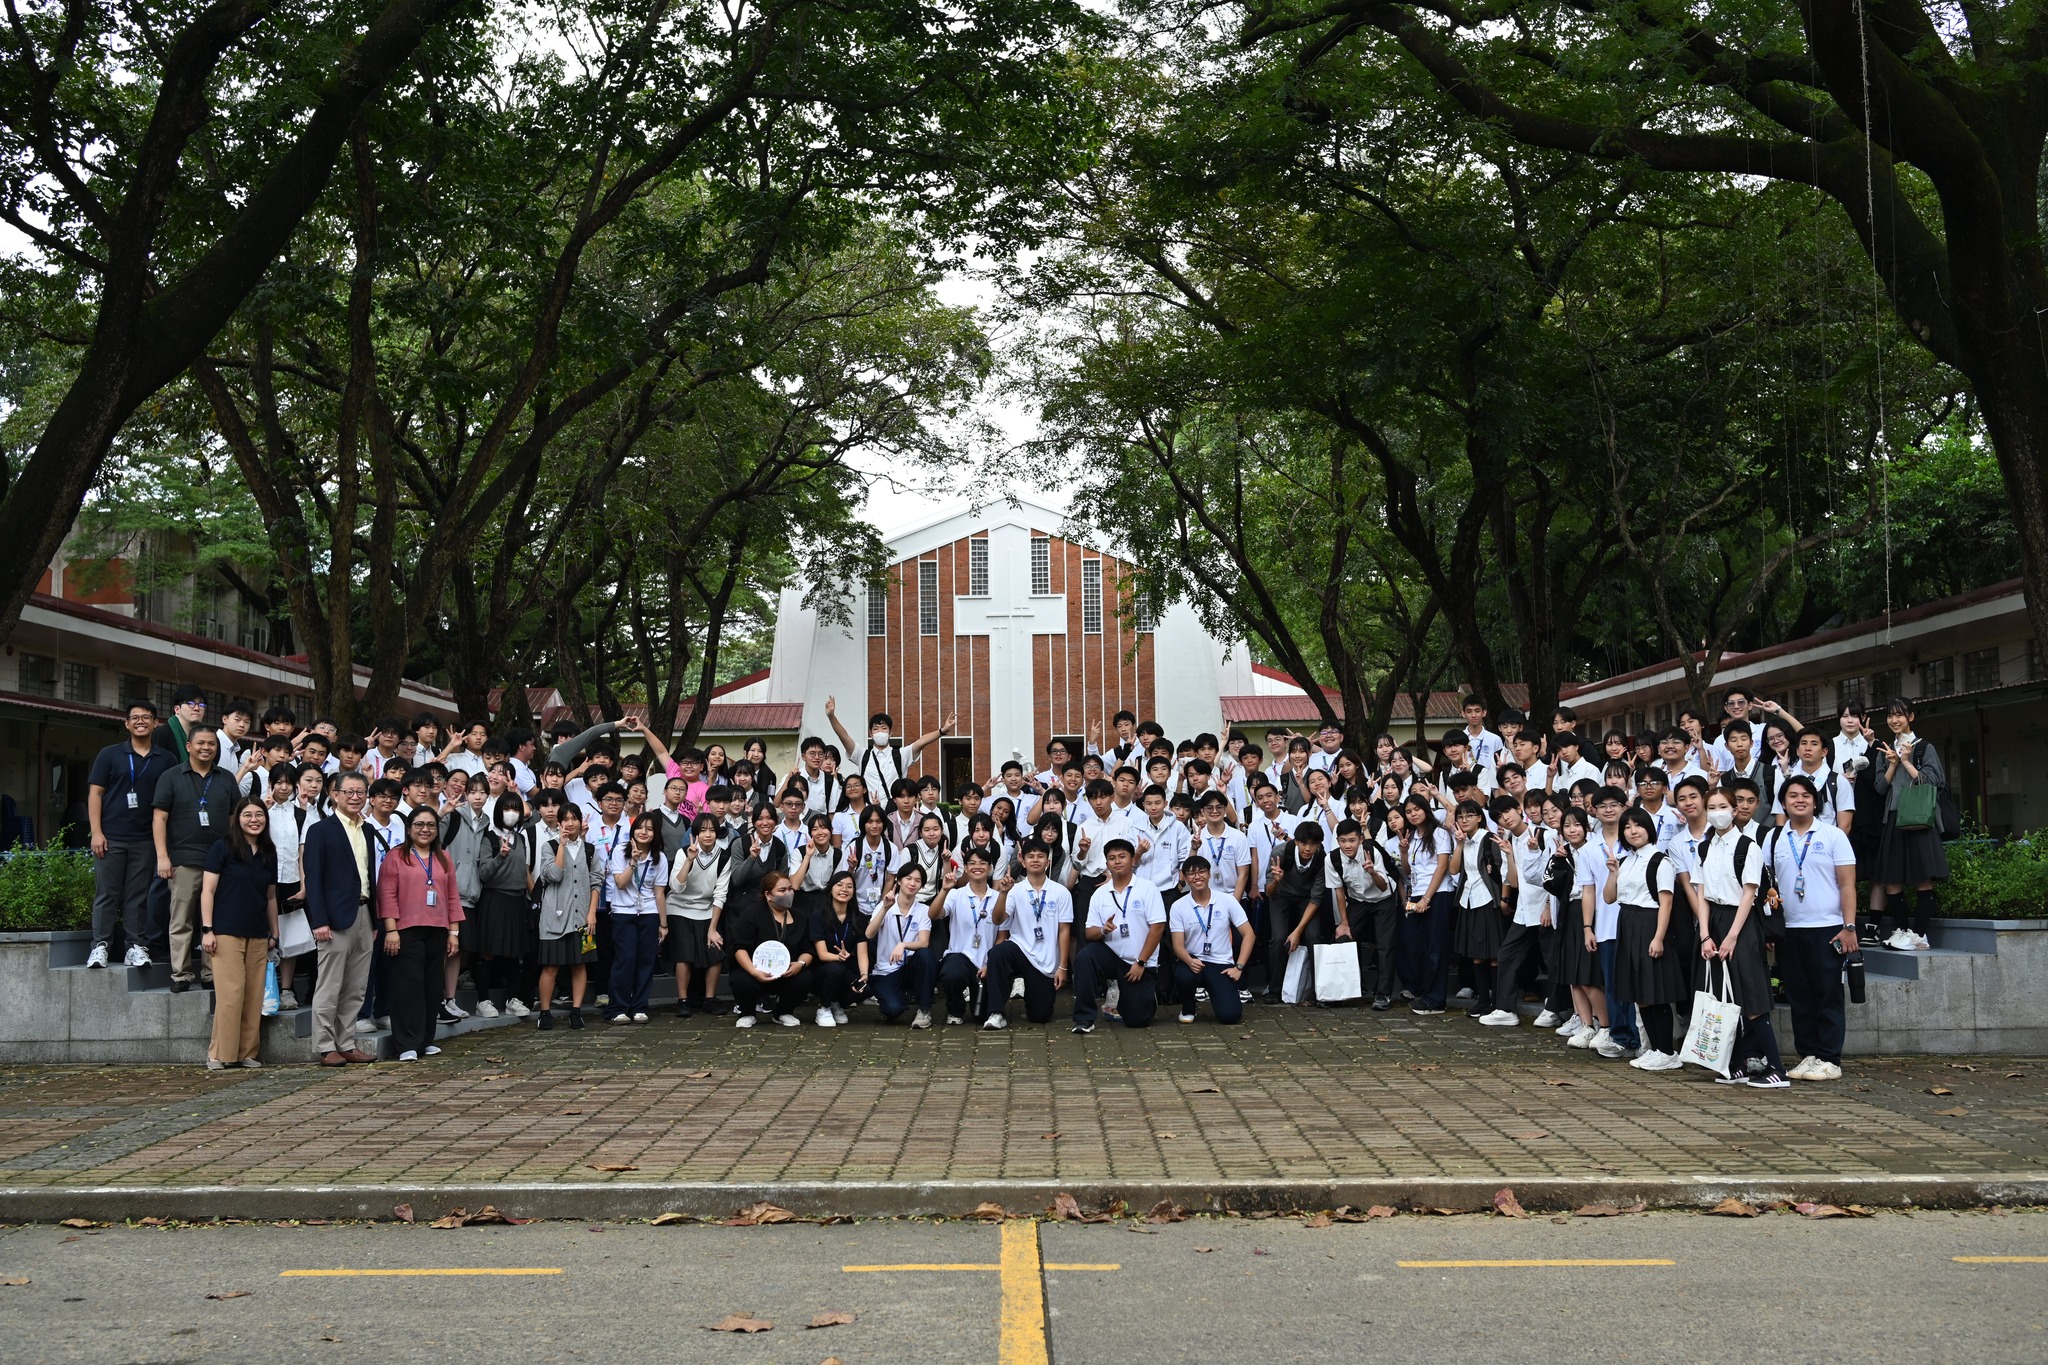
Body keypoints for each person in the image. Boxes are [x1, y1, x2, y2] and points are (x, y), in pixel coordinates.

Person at [1689, 788, 1788, 1087]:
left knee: (1752, 993)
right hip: (1713, 922)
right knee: (1721, 995)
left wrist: (1732, 936)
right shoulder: (1705, 848)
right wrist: (1705, 935)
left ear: (1734, 811)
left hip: (1741, 924)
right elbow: (1701, 893)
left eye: (1723, 806)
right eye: (1712, 807)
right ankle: (1735, 1065)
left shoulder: (1748, 846)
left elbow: (1749, 895)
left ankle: (1777, 1068)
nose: (1717, 811)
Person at [1768, 775, 1860, 1081]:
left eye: (1806, 795)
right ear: (1783, 803)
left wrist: (1849, 926)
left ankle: (1830, 1058)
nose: (1799, 800)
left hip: (1829, 927)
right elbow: (1769, 886)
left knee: (1827, 992)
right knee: (1799, 995)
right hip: (1790, 929)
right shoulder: (1774, 839)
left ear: (1815, 801)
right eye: (1792, 795)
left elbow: (1847, 885)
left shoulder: (1833, 835)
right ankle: (1808, 1055)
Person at [86, 701, 178, 969]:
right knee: (107, 893)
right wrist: (96, 832)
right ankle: (100, 946)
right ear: (126, 724)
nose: (140, 721)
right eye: (135, 718)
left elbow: (169, 803)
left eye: (146, 717)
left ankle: (135, 946)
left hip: (145, 838)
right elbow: (96, 794)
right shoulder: (110, 754)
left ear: (155, 723)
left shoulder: (166, 759)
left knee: (138, 895)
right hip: (111, 836)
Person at [302, 772, 380, 1066]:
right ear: (335, 795)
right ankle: (325, 1046)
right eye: (349, 792)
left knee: (356, 986)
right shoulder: (321, 830)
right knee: (330, 985)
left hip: (363, 914)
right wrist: (318, 921)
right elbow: (315, 879)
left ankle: (346, 1042)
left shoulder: (368, 830)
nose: (355, 797)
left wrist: (375, 921)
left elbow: (371, 877)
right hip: (334, 919)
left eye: (361, 792)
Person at [376, 805, 464, 1061]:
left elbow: (452, 896)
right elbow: (387, 894)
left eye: (430, 825)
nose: (425, 830)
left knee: (431, 987)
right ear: (409, 828)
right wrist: (390, 929)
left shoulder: (443, 857)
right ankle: (406, 1044)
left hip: (437, 929)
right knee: (407, 987)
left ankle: (425, 1040)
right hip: (405, 930)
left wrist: (454, 932)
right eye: (419, 825)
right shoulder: (396, 856)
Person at [199, 796, 280, 1069]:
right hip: (226, 932)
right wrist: (207, 930)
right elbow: (207, 891)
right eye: (248, 815)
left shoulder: (269, 852)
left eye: (259, 815)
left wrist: (274, 934)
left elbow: (270, 898)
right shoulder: (222, 848)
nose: (254, 820)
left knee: (253, 994)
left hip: (258, 933)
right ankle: (219, 1054)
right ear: (237, 819)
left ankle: (247, 1053)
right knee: (230, 994)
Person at [1605, 808, 1688, 1071]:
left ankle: (1667, 1051)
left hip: (1649, 924)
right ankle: (1654, 1048)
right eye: (1627, 827)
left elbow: (1666, 903)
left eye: (1638, 825)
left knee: (1656, 992)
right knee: (1641, 993)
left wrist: (1658, 938)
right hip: (1628, 924)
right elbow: (1609, 897)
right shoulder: (1626, 861)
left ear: (1648, 828)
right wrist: (1612, 872)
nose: (1633, 831)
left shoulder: (1659, 861)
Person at [151, 723, 231, 992]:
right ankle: (182, 974)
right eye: (200, 743)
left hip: (220, 861)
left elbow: (234, 820)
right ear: (189, 746)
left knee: (215, 920)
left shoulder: (225, 778)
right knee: (182, 919)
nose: (206, 748)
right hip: (184, 859)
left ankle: (210, 974)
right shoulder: (171, 776)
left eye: (211, 744)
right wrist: (163, 857)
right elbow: (159, 818)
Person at [1871, 697, 1950, 951]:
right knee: (1892, 880)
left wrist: (1906, 761)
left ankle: (1920, 935)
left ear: (1911, 717)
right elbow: (1880, 788)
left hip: (1917, 818)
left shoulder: (1923, 747)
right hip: (1893, 817)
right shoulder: (1885, 750)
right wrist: (1893, 764)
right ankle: (1903, 931)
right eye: (1890, 716)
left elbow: (1932, 783)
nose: (1894, 720)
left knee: (1921, 878)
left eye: (1900, 715)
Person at [1072, 839, 1166, 1032]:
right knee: (1085, 956)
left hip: (1140, 963)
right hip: (1112, 956)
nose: (1117, 861)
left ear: (1133, 860)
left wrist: (1141, 962)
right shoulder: (1100, 894)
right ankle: (1084, 1019)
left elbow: (1157, 928)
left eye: (1122, 856)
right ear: (1107, 864)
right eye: (1112, 858)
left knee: (1137, 1020)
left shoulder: (1147, 888)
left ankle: (1140, 997)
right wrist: (1103, 930)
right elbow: (1089, 932)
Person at [983, 843, 1071, 1028]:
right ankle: (996, 1012)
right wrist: (1003, 894)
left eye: (1040, 856)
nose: (1035, 860)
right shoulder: (1015, 890)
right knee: (998, 953)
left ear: (1048, 862)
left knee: (1041, 1015)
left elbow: (1064, 930)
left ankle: (1032, 1006)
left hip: (1045, 961)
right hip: (1020, 949)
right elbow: (998, 919)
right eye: (1031, 856)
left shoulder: (1060, 892)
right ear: (1023, 861)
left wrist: (1062, 967)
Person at [534, 805, 602, 1030]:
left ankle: (576, 1010)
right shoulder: (549, 846)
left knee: (579, 965)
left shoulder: (590, 849)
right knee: (550, 966)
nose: (570, 823)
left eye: (574, 818)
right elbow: (553, 875)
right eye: (565, 819)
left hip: (583, 918)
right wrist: (561, 847)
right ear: (559, 823)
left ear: (580, 821)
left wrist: (591, 913)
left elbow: (596, 882)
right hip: (553, 918)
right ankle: (545, 1012)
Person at [1169, 854, 1254, 1024]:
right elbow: (1177, 945)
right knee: (1183, 975)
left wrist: (1239, 967)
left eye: (1201, 872)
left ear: (1209, 874)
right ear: (1185, 877)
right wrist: (1188, 960)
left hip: (1221, 964)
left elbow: (1249, 935)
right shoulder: (1178, 906)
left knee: (1230, 1016)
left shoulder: (1227, 900)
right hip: (1193, 961)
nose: (1197, 877)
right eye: (1191, 874)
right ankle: (1188, 1008)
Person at [1393, 795, 1456, 1015]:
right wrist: (1403, 852)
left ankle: (1436, 1000)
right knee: (1417, 946)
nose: (1413, 814)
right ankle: (1425, 993)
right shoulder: (1413, 837)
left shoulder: (1438, 833)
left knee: (1436, 948)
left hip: (1438, 894)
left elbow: (1441, 867)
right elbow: (1408, 871)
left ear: (1426, 810)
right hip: (1417, 894)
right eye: (1409, 812)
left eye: (1417, 809)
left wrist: (1427, 899)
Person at [1328, 816, 1397, 1010]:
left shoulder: (1371, 851)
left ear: (1360, 839)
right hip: (1358, 900)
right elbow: (1339, 891)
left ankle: (1383, 994)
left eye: (1352, 840)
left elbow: (1383, 887)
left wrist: (1373, 872)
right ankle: (1342, 991)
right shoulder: (1332, 858)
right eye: (1343, 841)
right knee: (1341, 938)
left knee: (1385, 945)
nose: (1347, 845)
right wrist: (1343, 922)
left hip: (1382, 899)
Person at [666, 812, 731, 1017]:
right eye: (703, 830)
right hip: (679, 907)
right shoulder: (683, 852)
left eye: (712, 830)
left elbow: (721, 893)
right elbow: (675, 887)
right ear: (695, 833)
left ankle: (709, 999)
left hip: (706, 909)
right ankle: (683, 1000)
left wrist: (712, 929)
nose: (708, 835)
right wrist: (689, 860)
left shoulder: (724, 856)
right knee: (684, 953)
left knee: (715, 951)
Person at [606, 813, 669, 1024]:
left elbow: (659, 893)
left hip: (649, 913)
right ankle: (617, 1007)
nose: (644, 832)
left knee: (646, 961)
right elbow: (621, 884)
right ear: (633, 831)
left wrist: (663, 923)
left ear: (655, 834)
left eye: (650, 829)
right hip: (624, 913)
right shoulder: (620, 852)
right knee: (625, 960)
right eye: (640, 827)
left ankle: (640, 1006)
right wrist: (633, 861)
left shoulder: (658, 857)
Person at [823, 697, 955, 795]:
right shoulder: (862, 755)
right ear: (870, 734)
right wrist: (831, 716)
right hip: (870, 813)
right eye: (876, 729)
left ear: (890, 733)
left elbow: (921, 742)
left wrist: (942, 731)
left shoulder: (901, 755)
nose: (880, 732)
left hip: (895, 813)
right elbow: (844, 736)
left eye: (884, 728)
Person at [863, 863, 936, 1026]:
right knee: (893, 1010)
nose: (912, 883)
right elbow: (869, 934)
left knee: (926, 956)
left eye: (917, 881)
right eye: (908, 878)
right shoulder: (885, 905)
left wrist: (903, 945)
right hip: (886, 969)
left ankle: (924, 1010)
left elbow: (924, 942)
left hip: (910, 967)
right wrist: (885, 908)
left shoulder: (923, 910)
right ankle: (895, 998)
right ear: (899, 881)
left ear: (922, 886)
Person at [935, 846, 1001, 1024]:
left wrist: (990, 963)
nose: (976, 866)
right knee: (951, 974)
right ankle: (955, 1010)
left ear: (990, 868)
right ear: (965, 868)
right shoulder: (956, 894)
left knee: (981, 1016)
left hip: (987, 962)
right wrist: (944, 890)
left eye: (982, 863)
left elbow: (1003, 933)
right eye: (971, 863)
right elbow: (934, 914)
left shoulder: (998, 897)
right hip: (960, 957)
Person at [810, 870, 863, 1027]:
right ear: (831, 889)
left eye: (849, 886)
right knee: (836, 969)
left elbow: (862, 952)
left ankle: (838, 1004)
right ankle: (824, 1007)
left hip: (846, 967)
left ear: (853, 892)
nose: (844, 890)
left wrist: (864, 975)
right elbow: (822, 954)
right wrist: (839, 957)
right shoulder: (818, 916)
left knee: (865, 988)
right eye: (839, 885)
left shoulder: (858, 918)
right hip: (823, 970)